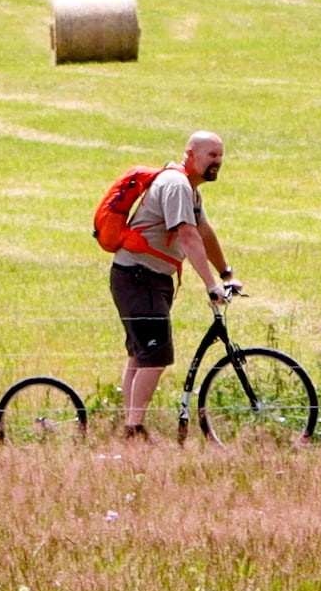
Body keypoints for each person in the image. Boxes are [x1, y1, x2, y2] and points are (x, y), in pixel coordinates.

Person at [96, 130, 240, 438]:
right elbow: (188, 236)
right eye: (211, 155)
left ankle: (131, 425)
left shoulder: (189, 190)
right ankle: (134, 430)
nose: (217, 162)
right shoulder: (176, 185)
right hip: (139, 277)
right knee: (155, 355)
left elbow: (204, 232)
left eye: (220, 155)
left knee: (142, 355)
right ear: (191, 154)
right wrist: (210, 284)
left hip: (146, 278)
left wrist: (226, 273)